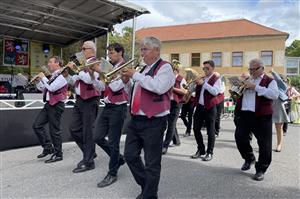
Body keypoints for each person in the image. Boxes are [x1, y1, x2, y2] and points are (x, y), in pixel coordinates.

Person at [121, 36, 175, 199]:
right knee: (130, 155)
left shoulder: (165, 68)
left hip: (154, 121)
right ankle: (148, 188)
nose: (141, 53)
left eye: (145, 49)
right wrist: (127, 82)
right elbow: (135, 93)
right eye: (141, 49)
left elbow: (158, 87)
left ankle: (149, 194)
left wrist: (135, 75)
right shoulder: (143, 70)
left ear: (157, 50)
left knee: (152, 163)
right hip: (136, 119)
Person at [235, 58, 278, 181]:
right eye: (250, 69)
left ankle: (261, 169)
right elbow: (239, 94)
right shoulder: (248, 79)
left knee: (264, 143)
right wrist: (236, 89)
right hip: (244, 114)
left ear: (262, 68)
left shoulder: (270, 81)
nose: (252, 72)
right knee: (240, 138)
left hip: (261, 115)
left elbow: (274, 95)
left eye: (255, 69)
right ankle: (249, 158)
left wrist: (256, 87)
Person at [93, 43, 129, 188]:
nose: (109, 56)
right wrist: (93, 75)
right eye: (109, 53)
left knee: (114, 142)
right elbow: (101, 87)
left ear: (120, 53)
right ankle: (118, 158)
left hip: (119, 107)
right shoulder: (111, 68)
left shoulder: (125, 68)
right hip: (107, 106)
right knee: (97, 136)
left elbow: (116, 87)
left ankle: (112, 173)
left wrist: (101, 71)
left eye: (112, 53)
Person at [67, 41, 105, 173]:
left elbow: (90, 80)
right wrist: (67, 75)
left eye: (84, 48)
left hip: (90, 99)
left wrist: (77, 70)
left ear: (92, 50)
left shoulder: (96, 62)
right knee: (73, 128)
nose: (81, 51)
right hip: (80, 99)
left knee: (88, 131)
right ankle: (89, 152)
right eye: (81, 48)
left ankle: (88, 161)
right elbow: (75, 81)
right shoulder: (82, 65)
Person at [32, 56, 67, 163]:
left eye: (51, 62)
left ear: (58, 64)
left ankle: (58, 154)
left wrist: (43, 77)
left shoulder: (61, 77)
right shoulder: (52, 76)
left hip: (56, 105)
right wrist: (38, 81)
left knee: (54, 130)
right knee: (37, 125)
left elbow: (51, 88)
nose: (48, 64)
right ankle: (48, 147)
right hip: (48, 104)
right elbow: (43, 88)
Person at [191, 60, 222, 161]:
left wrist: (204, 84)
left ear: (212, 68)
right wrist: (194, 84)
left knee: (211, 131)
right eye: (204, 68)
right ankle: (201, 149)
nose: (205, 70)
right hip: (200, 107)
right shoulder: (202, 78)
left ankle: (210, 152)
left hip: (210, 107)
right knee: (195, 128)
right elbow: (194, 90)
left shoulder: (216, 78)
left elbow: (215, 92)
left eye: (207, 68)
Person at [162, 60, 187, 155]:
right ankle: (177, 140)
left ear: (175, 70)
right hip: (168, 102)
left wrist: (172, 88)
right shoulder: (168, 79)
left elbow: (184, 92)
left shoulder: (181, 79)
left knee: (171, 123)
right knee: (171, 122)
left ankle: (165, 145)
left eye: (171, 70)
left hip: (177, 103)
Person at [270, 70, 289, 152]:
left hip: (278, 107)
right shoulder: (271, 86)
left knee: (279, 128)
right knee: (267, 129)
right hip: (269, 107)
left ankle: (279, 145)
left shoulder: (282, 86)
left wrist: (273, 72)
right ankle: (266, 145)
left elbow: (279, 80)